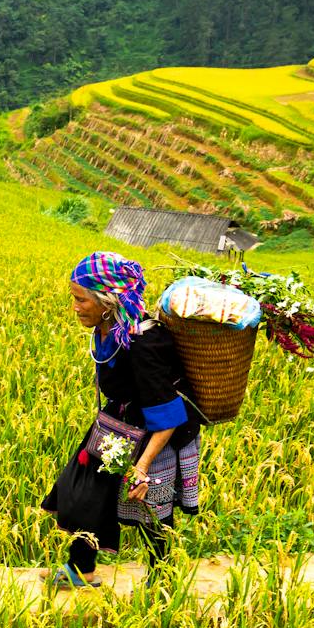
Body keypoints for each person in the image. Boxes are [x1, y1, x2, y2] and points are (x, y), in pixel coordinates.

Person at [41, 251, 202, 589]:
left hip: (156, 431)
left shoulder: (143, 342)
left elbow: (168, 413)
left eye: (80, 298)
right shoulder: (108, 328)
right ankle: (80, 567)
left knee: (150, 506)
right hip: (119, 423)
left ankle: (163, 577)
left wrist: (142, 467)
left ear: (107, 301)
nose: (75, 306)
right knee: (87, 489)